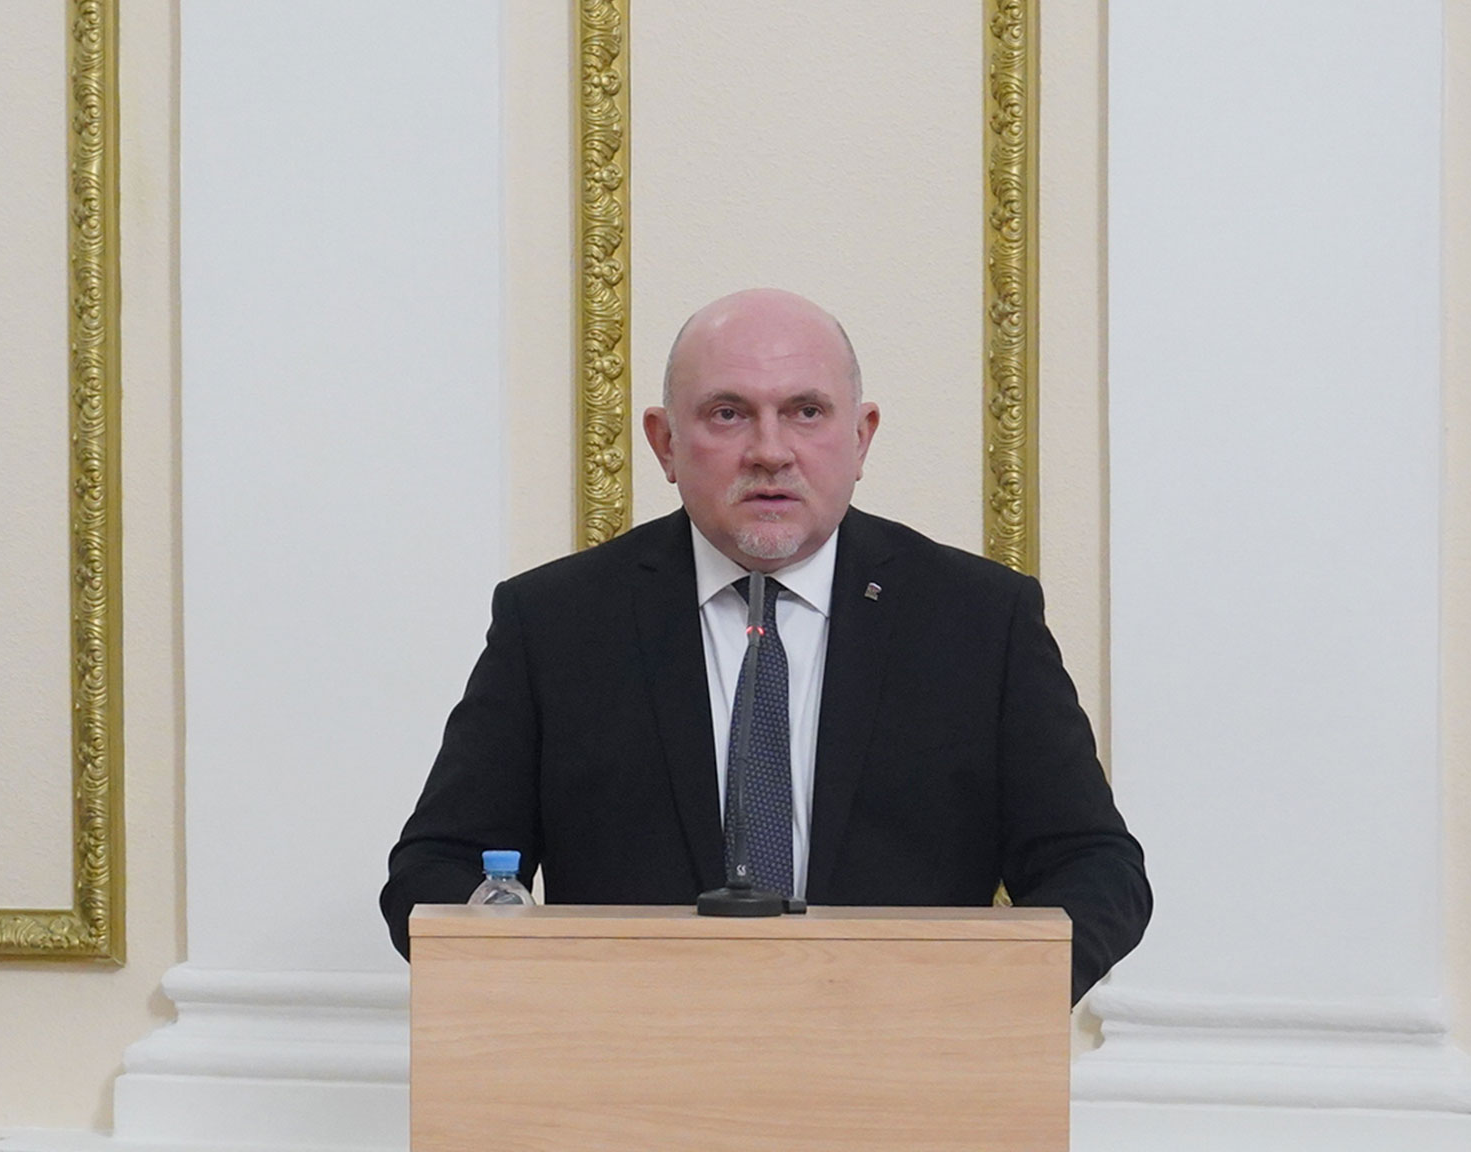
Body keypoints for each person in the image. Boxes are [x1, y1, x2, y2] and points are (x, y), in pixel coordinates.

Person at [381, 288, 1150, 1003]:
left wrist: (982, 1007)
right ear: (664, 443)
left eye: (806, 412)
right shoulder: (557, 622)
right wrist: (545, 997)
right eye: (728, 414)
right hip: (631, 1062)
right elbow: (435, 868)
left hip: (901, 1058)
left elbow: (1096, 869)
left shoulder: (978, 618)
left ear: (861, 436)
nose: (770, 451)